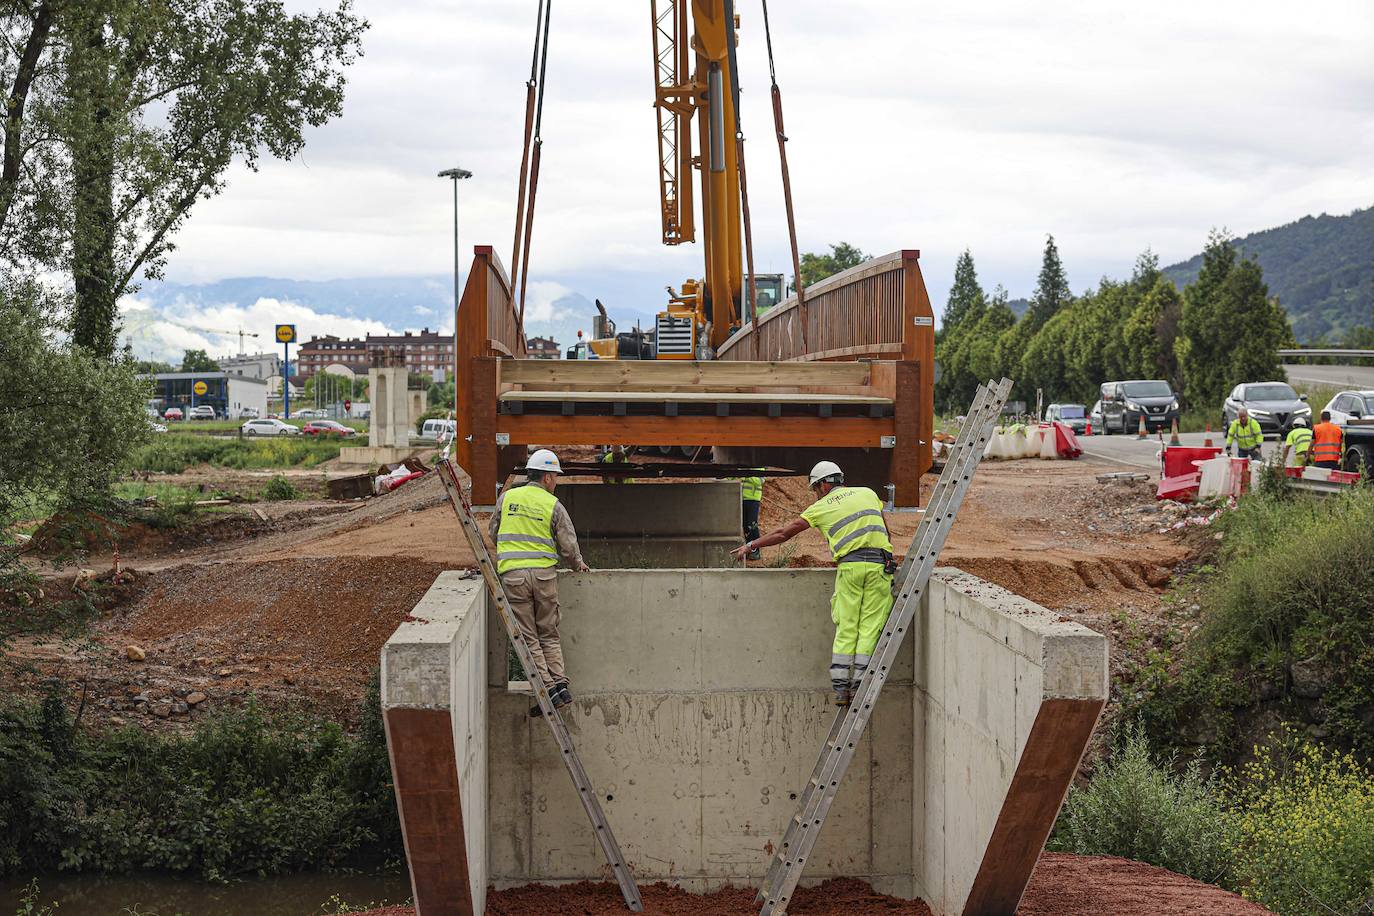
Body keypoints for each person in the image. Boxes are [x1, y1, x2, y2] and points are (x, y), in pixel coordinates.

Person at [730, 461, 894, 706]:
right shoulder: (868, 494)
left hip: (850, 569)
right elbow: (886, 531)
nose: (816, 493)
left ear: (824, 484)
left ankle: (841, 689)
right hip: (880, 567)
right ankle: (861, 683)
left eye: (816, 489)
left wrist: (751, 545)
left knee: (847, 626)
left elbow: (783, 533)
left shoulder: (820, 508)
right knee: (870, 626)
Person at [489, 448, 590, 715]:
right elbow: (568, 543)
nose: (555, 482)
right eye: (555, 477)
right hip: (544, 576)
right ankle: (559, 684)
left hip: (514, 576)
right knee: (549, 633)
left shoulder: (508, 497)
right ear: (546, 477)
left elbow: (493, 532)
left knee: (529, 637)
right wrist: (577, 563)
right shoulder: (552, 504)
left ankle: (548, 688)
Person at [732, 468, 764, 559]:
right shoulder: (743, 466)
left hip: (753, 499)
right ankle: (748, 548)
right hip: (742, 498)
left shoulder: (759, 467)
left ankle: (756, 550)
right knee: (745, 525)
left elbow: (759, 481)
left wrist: (747, 473)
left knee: (752, 525)